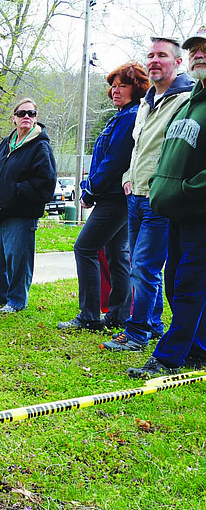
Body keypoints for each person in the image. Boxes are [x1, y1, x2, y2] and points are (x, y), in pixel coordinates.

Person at [105, 37, 195, 351]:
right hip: (136, 195)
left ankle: (136, 333)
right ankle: (152, 324)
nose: (154, 61)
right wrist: (129, 177)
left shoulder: (186, 99)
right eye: (150, 56)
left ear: (178, 62)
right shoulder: (147, 101)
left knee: (145, 266)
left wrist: (160, 184)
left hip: (160, 198)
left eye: (162, 56)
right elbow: (140, 148)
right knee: (138, 265)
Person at [127, 28, 206, 378]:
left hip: (199, 212)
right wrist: (162, 185)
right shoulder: (191, 101)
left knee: (188, 286)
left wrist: (187, 190)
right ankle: (199, 350)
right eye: (196, 49)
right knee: (174, 283)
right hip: (175, 213)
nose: (199, 54)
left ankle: (170, 357)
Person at [58, 63, 148, 333]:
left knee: (84, 248)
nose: (115, 91)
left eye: (122, 85)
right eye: (113, 85)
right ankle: (119, 315)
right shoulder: (121, 116)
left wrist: (90, 191)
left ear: (136, 88)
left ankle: (89, 316)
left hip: (113, 197)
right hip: (117, 197)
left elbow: (113, 161)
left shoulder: (130, 117)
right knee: (117, 254)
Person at [0, 98, 57, 313]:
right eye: (22, 113)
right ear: (13, 118)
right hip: (0, 213)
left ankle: (16, 302)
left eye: (31, 114)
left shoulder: (40, 147)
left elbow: (45, 184)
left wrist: (14, 191)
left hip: (22, 214)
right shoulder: (5, 144)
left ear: (36, 119)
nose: (26, 116)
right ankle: (2, 301)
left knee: (18, 261)